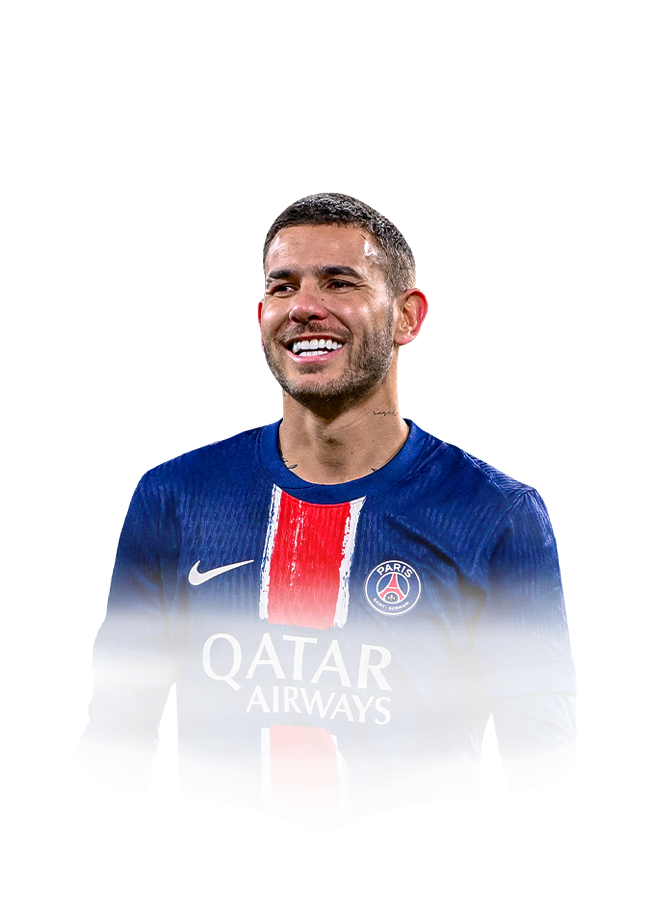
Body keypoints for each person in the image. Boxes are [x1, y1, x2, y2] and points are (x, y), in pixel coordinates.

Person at [76, 192, 577, 832]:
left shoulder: (496, 515)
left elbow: (545, 785)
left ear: (407, 317)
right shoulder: (175, 498)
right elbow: (114, 752)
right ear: (261, 315)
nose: (304, 306)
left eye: (339, 282)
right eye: (282, 287)